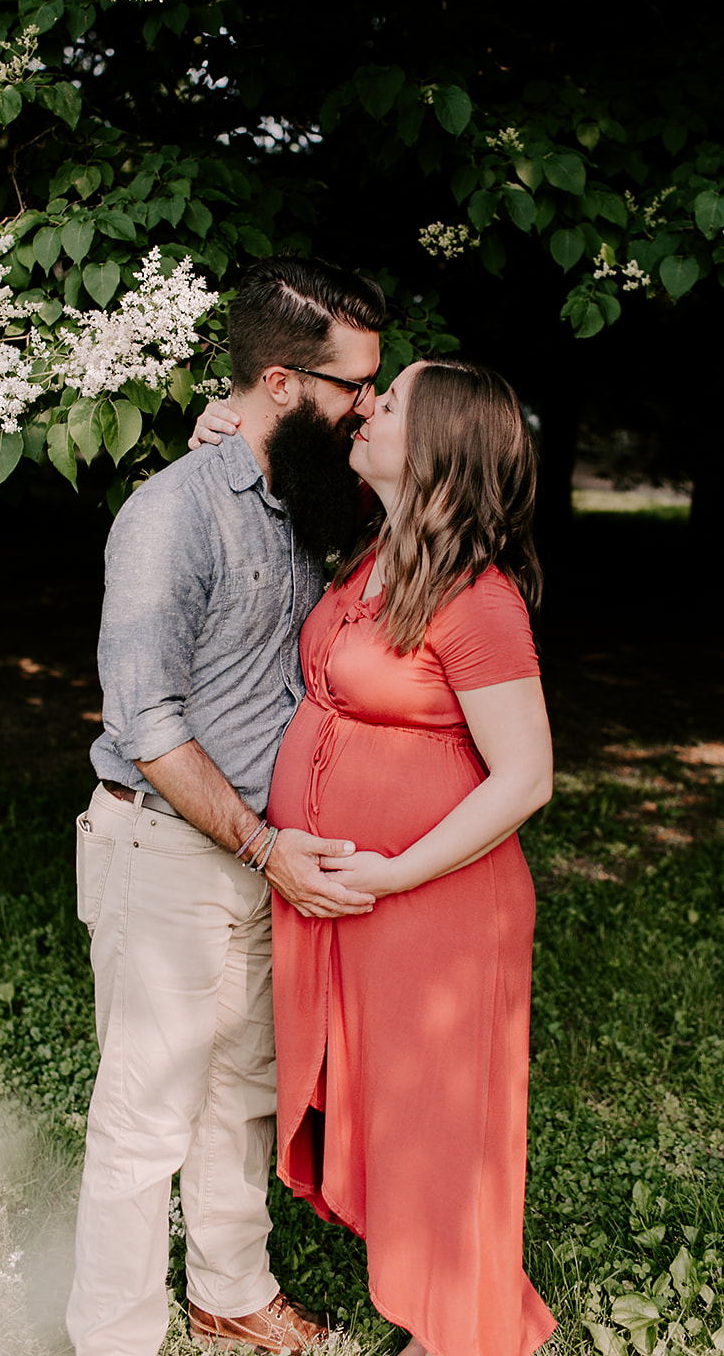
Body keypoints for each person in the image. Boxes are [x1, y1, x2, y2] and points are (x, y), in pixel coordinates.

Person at [66, 256, 386, 1356]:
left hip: (266, 855)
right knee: (144, 1117)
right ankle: (111, 1336)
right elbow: (146, 721)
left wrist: (276, 848)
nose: (367, 408)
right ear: (287, 382)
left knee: (244, 1092)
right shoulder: (170, 514)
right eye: (353, 387)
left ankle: (229, 1291)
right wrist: (261, 841)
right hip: (171, 848)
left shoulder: (306, 492)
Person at [267, 358, 558, 1356]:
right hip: (364, 900)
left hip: (433, 905)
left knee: (436, 1121)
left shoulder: (476, 600)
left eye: (386, 403)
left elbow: (524, 777)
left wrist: (392, 871)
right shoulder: (372, 554)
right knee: (386, 1111)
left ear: (432, 446)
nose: (364, 406)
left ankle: (465, 1331)